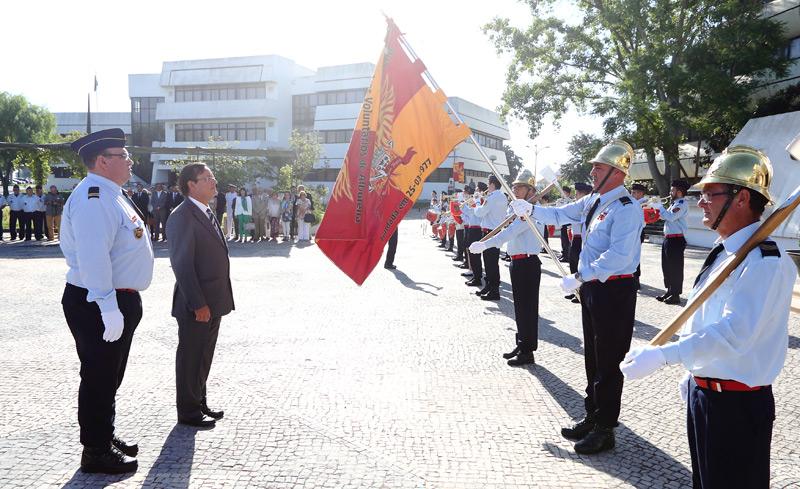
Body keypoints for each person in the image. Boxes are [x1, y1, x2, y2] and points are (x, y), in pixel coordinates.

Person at [620, 145, 796, 488]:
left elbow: (734, 333)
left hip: (737, 406)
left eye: (710, 193)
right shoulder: (725, 251)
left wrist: (663, 355)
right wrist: (693, 373)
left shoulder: (766, 261)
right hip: (707, 396)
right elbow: (701, 316)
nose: (700, 201)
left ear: (742, 198)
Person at [510, 139, 643, 454]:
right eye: (594, 166)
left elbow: (620, 257)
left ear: (617, 172)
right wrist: (530, 209)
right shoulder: (594, 201)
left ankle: (606, 427)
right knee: (593, 355)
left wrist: (581, 276)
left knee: (609, 359)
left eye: (598, 167)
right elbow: (559, 215)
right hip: (594, 288)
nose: (592, 171)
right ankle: (592, 413)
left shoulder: (626, 208)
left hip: (614, 289)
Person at [60, 128, 154, 473]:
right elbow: (93, 256)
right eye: (123, 156)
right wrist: (107, 305)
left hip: (114, 299)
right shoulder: (94, 197)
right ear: (102, 161)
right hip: (97, 302)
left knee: (109, 375)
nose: (130, 161)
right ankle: (95, 451)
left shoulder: (112, 194)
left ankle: (103, 432)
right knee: (99, 375)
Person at [167, 163, 234, 428]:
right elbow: (182, 264)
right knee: (191, 356)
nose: (213, 181)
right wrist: (198, 303)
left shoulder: (205, 211)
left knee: (204, 355)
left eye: (212, 177)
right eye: (206, 178)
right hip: (197, 303)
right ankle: (188, 410)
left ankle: (199, 401)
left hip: (213, 300)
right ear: (190, 185)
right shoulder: (182, 215)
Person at [469, 170, 545, 366]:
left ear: (530, 191)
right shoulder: (519, 209)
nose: (515, 190)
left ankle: (528, 351)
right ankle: (521, 344)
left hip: (528, 263)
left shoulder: (530, 212)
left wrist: (485, 244)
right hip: (517, 261)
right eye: (514, 187)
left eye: (519, 187)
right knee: (520, 308)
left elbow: (510, 233)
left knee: (527, 309)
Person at [651, 179, 690, 304]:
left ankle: (676, 295)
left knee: (675, 268)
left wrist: (660, 207)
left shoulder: (682, 204)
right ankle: (669, 290)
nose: (670, 192)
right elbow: (664, 216)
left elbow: (671, 217)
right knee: (667, 267)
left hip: (676, 239)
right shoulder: (675, 203)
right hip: (669, 238)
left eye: (672, 190)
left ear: (679, 192)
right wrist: (656, 209)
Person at [472, 176, 509, 301]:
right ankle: (489, 287)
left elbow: (480, 213)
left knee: (490, 264)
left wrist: (477, 202)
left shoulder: (493, 197)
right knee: (491, 263)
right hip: (495, 231)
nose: (487, 187)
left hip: (489, 232)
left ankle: (494, 291)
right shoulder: (502, 196)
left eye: (488, 184)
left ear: (492, 184)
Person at [564, 182, 593, 303]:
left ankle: (582, 292)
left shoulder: (588, 207)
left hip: (582, 238)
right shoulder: (577, 206)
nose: (576, 197)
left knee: (580, 267)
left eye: (578, 194)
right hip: (575, 238)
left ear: (585, 194)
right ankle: (576, 291)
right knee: (573, 265)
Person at [465, 182, 488, 285]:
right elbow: (470, 213)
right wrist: (463, 206)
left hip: (478, 228)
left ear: (481, 191)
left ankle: (478, 278)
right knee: (472, 253)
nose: (475, 191)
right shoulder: (475, 199)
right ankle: (475, 275)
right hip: (472, 227)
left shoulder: (483, 200)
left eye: (477, 189)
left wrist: (476, 201)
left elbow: (479, 214)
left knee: (476, 254)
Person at [630, 183, 648, 289]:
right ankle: (633, 278)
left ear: (640, 193)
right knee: (631, 255)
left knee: (634, 255)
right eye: (631, 192)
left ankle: (636, 280)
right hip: (632, 231)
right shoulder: (634, 203)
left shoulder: (644, 203)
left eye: (634, 192)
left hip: (638, 231)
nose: (631, 194)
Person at [559, 186, 574, 262]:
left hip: (568, 222)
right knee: (563, 239)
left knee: (567, 240)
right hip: (562, 222)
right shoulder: (560, 201)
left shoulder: (571, 201)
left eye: (564, 192)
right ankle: (564, 254)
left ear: (568, 193)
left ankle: (567, 256)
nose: (562, 194)